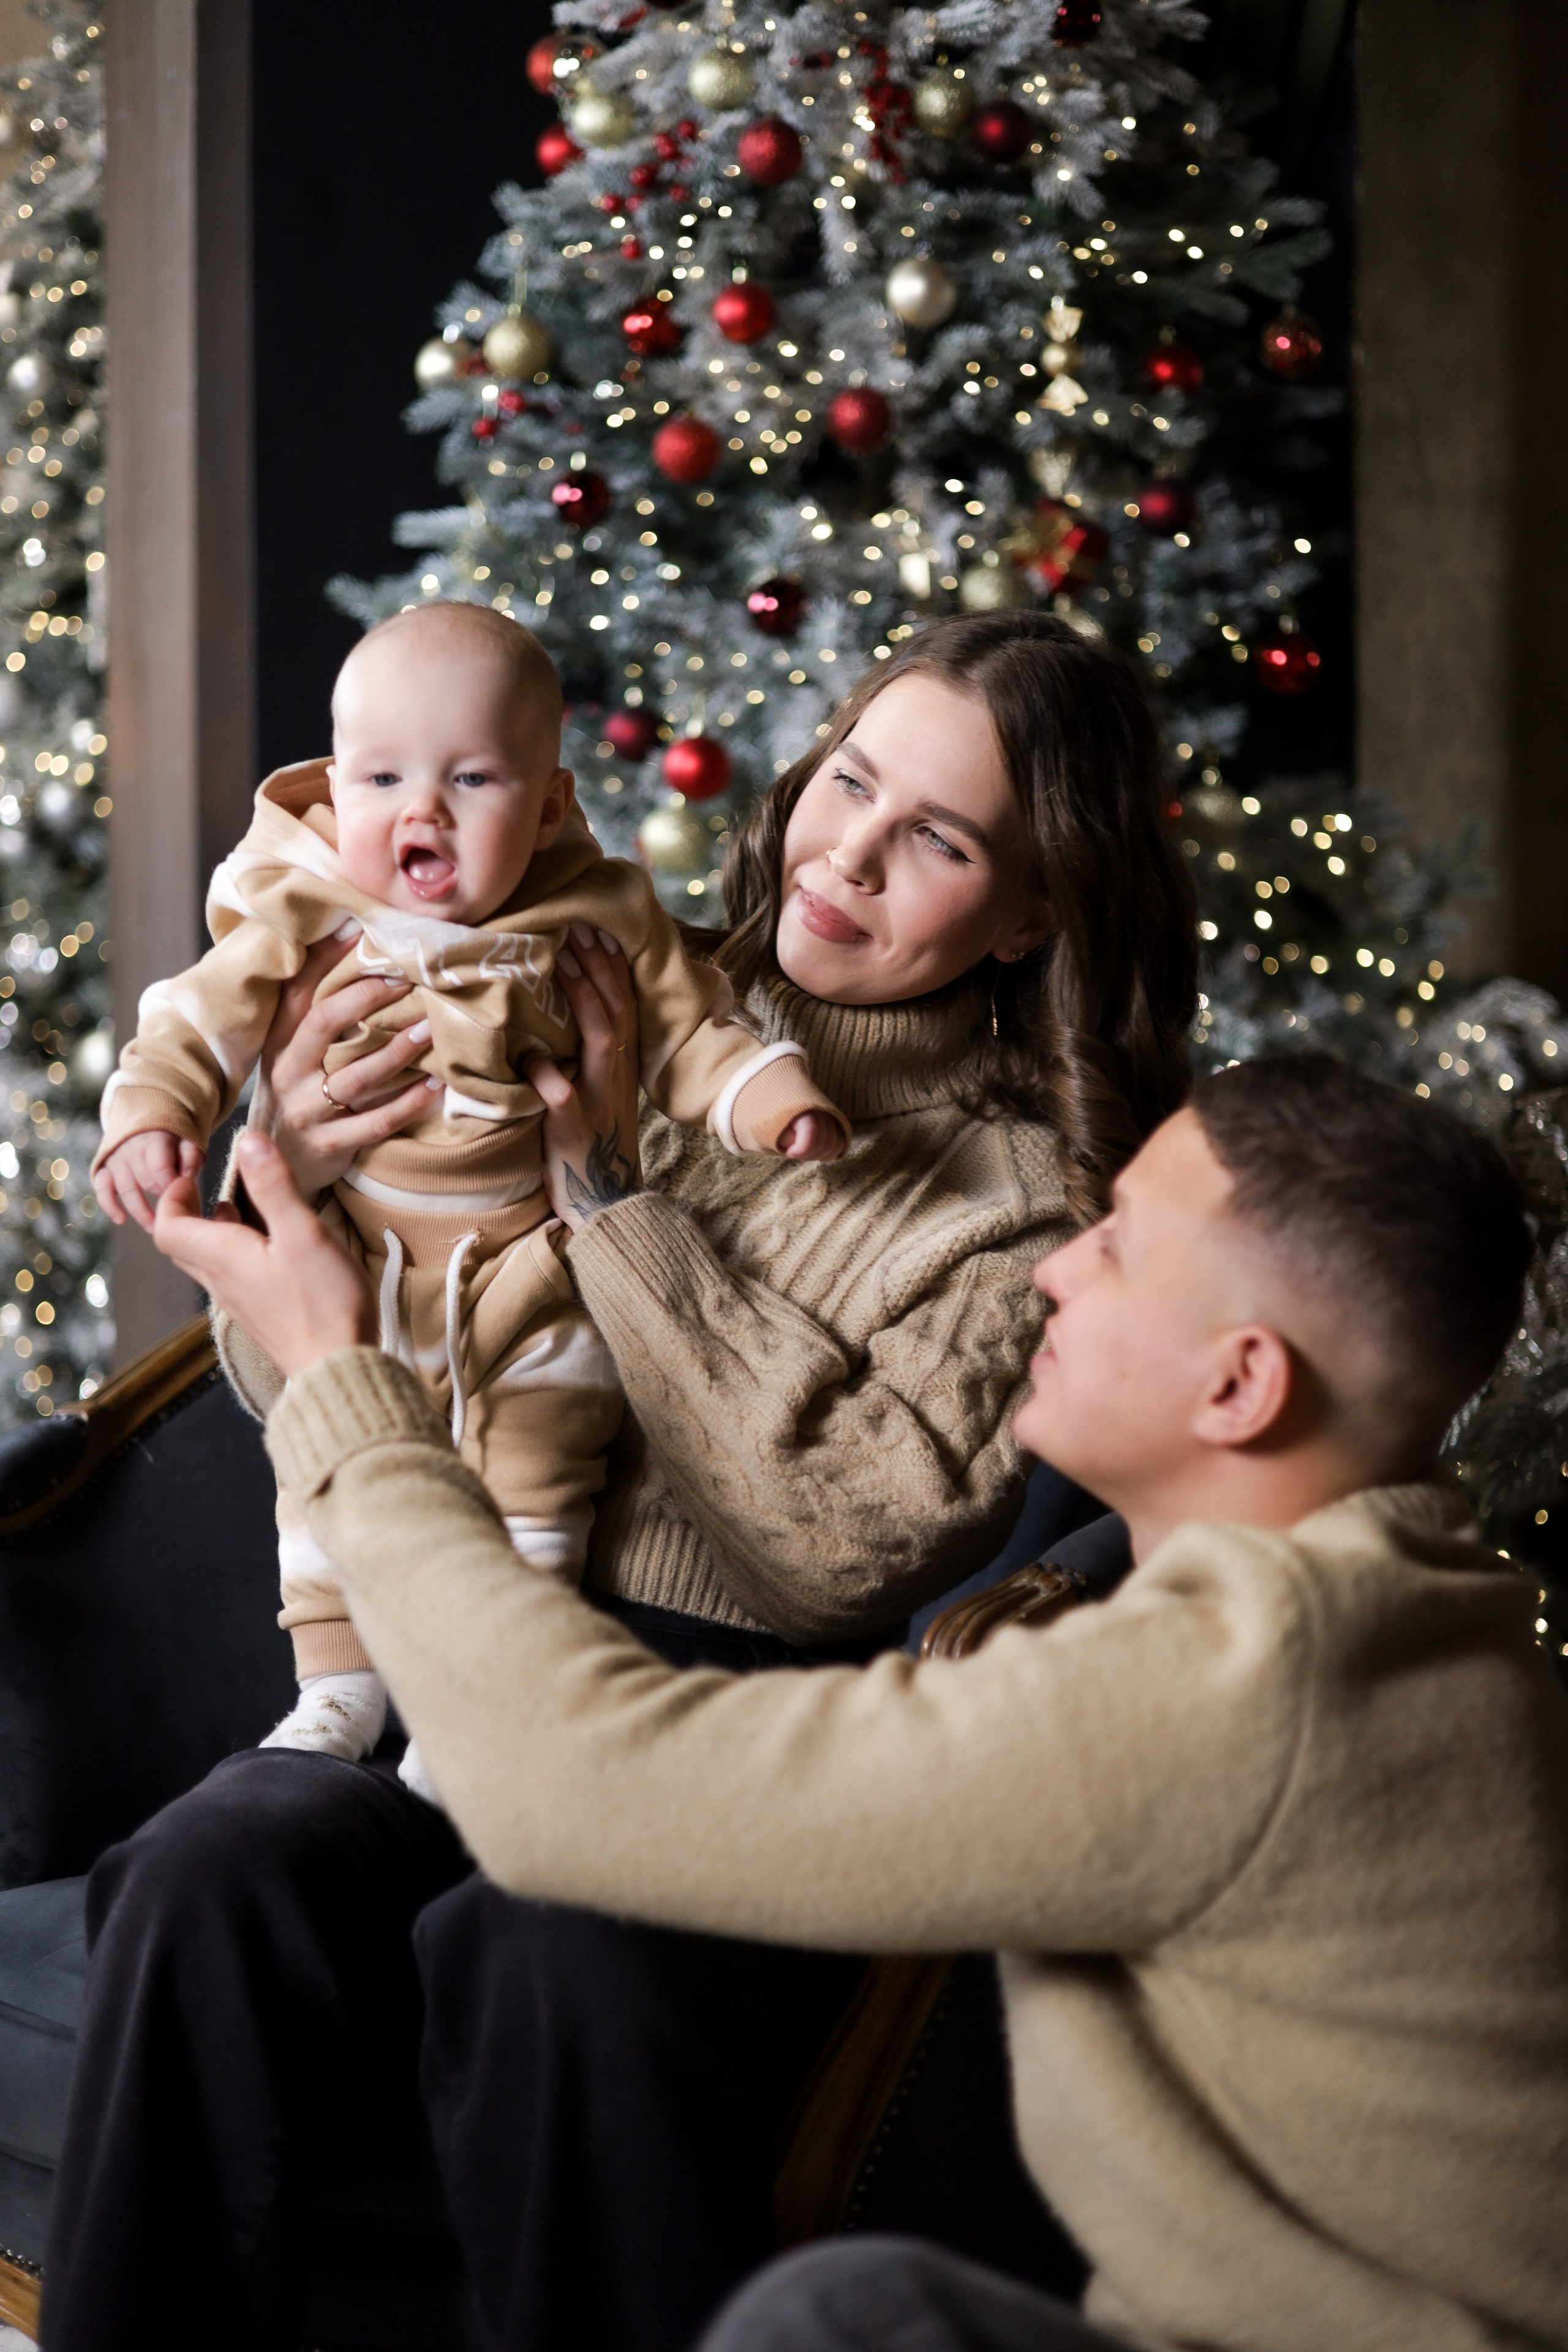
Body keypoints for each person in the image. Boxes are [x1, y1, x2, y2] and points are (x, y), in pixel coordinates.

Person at [43, 613, 1197, 2352]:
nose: (850, 856)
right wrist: (301, 1200)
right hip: (444, 1654)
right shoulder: (582, 968)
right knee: (220, 1861)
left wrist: (605, 1197)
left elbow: (836, 1552)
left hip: (716, 1745)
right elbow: (327, 1395)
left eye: (939, 842)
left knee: (547, 1940)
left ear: (1033, 913)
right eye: (853, 783)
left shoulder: (1015, 1202)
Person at [149, 1052, 1567, 2352]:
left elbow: (572, 1789)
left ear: (1240, 1383)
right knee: (862, 2311)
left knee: (838, 2320)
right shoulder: (1417, 1612)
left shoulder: (1247, 1683)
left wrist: (348, 1377)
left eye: (1119, 1250)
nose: (1058, 1274)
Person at [89, 601, 846, 1790]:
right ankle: (336, 1685)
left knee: (538, 1466)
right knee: (322, 1464)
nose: (419, 811)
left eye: (473, 778)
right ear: (336, 788)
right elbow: (197, 1018)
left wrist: (773, 1103)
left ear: (548, 804)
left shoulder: (598, 914)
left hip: (528, 1260)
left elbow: (701, 1032)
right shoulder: (308, 905)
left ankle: (476, 1709)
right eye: (380, 776)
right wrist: (153, 1118)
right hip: (356, 1255)